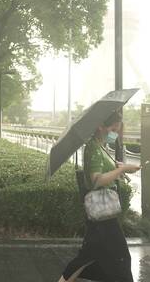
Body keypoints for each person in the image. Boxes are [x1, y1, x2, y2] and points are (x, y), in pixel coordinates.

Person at [58, 111, 140, 282]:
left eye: (118, 130)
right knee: (119, 257)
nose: (115, 133)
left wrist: (118, 169)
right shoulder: (93, 148)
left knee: (93, 256)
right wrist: (122, 169)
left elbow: (104, 175)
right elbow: (96, 180)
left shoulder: (99, 146)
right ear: (100, 127)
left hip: (103, 213)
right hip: (101, 213)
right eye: (113, 129)